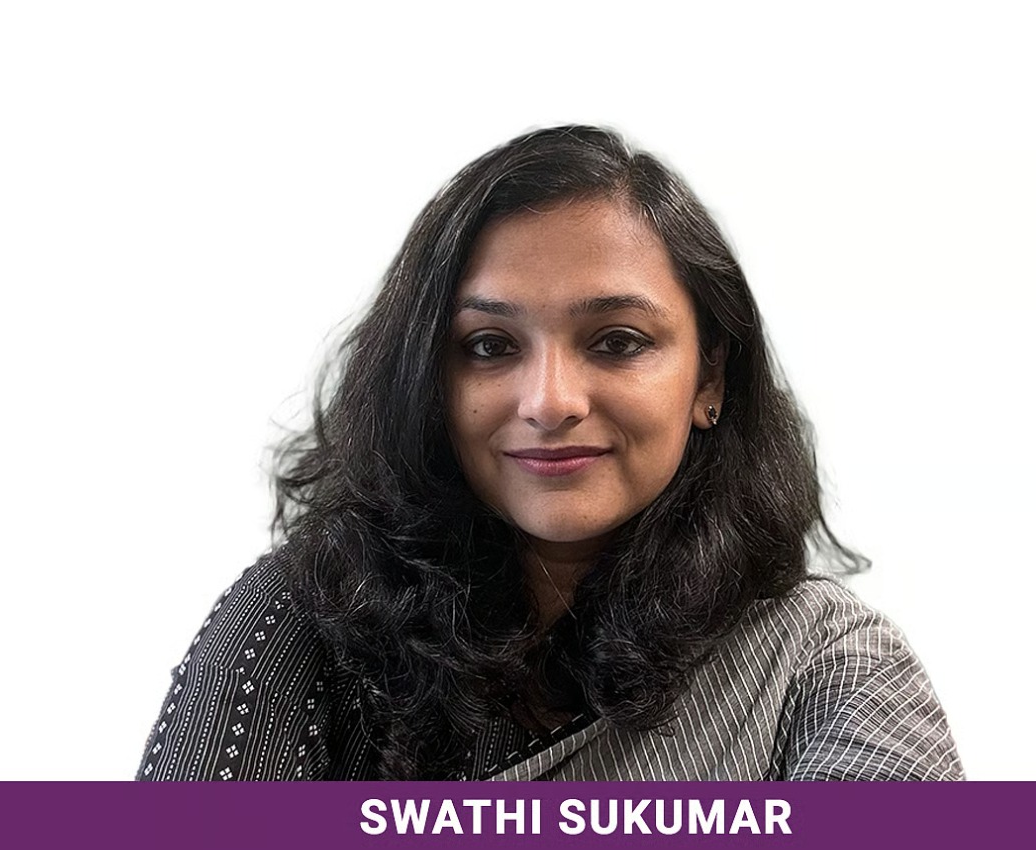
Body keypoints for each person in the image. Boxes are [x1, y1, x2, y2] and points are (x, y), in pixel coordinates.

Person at [136, 125, 963, 781]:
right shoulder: (302, 620)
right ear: (426, 379)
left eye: (617, 341)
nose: (550, 401)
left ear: (709, 378)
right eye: (490, 346)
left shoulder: (822, 669)